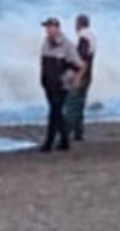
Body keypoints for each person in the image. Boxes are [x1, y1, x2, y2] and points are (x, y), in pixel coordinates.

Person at [39, 17, 83, 152]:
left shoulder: (67, 45)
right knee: (56, 112)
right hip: (48, 83)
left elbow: (80, 65)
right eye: (47, 27)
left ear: (57, 28)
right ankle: (64, 140)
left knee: (54, 112)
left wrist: (76, 80)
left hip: (61, 84)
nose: (48, 30)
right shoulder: (45, 43)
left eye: (50, 27)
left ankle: (48, 143)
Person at [65, 14, 97, 141]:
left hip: (82, 75)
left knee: (71, 103)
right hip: (88, 74)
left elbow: (82, 58)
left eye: (75, 23)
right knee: (79, 103)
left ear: (79, 24)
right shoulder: (92, 37)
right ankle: (78, 133)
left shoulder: (84, 37)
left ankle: (66, 133)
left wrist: (77, 76)